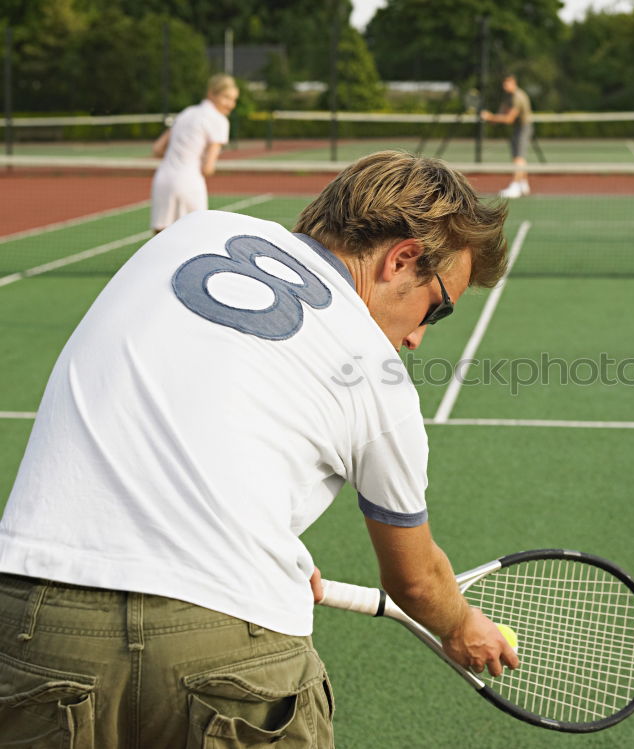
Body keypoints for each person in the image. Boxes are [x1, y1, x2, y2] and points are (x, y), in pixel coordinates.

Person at [0, 151, 517, 748]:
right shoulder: (379, 379)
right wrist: (460, 625)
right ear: (401, 259)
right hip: (231, 650)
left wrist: (262, 549)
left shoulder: (194, 231)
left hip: (35, 623)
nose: (421, 337)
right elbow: (418, 582)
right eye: (439, 306)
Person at [150, 73, 239, 232]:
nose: (231, 104)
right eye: (226, 97)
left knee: (160, 237)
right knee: (196, 235)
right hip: (188, 182)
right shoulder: (219, 120)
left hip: (162, 178)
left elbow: (157, 149)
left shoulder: (187, 112)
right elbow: (207, 168)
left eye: (234, 99)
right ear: (211, 93)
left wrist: (180, 157)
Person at [481, 74, 533, 198]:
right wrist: (493, 119)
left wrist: (491, 117)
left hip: (524, 128)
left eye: (507, 84)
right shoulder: (508, 97)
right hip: (517, 128)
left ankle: (515, 186)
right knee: (517, 157)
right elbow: (502, 112)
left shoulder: (518, 97)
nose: (505, 87)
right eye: (504, 84)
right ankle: (523, 184)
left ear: (513, 83)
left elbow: (509, 119)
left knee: (519, 158)